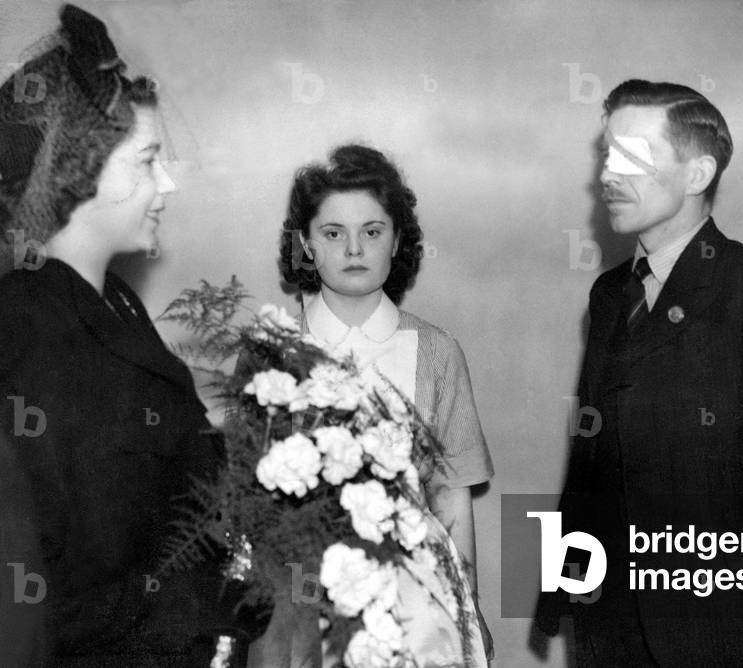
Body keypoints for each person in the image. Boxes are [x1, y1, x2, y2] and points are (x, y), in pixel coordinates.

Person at [534, 79, 743, 667]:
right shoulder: (609, 296)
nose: (605, 175)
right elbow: (590, 460)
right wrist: (566, 591)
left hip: (723, 630)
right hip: (609, 626)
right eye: (606, 154)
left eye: (630, 157)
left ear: (698, 174)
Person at [0, 5, 265, 665]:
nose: (166, 183)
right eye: (147, 160)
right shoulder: (30, 332)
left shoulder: (113, 303)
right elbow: (42, 605)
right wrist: (191, 603)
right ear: (81, 169)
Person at [248, 144, 495, 667]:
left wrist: (465, 605)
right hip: (297, 595)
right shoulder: (272, 352)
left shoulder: (436, 352)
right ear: (307, 245)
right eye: (333, 233)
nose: (354, 248)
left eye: (373, 231)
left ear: (398, 240)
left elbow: (451, 499)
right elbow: (245, 500)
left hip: (413, 596)